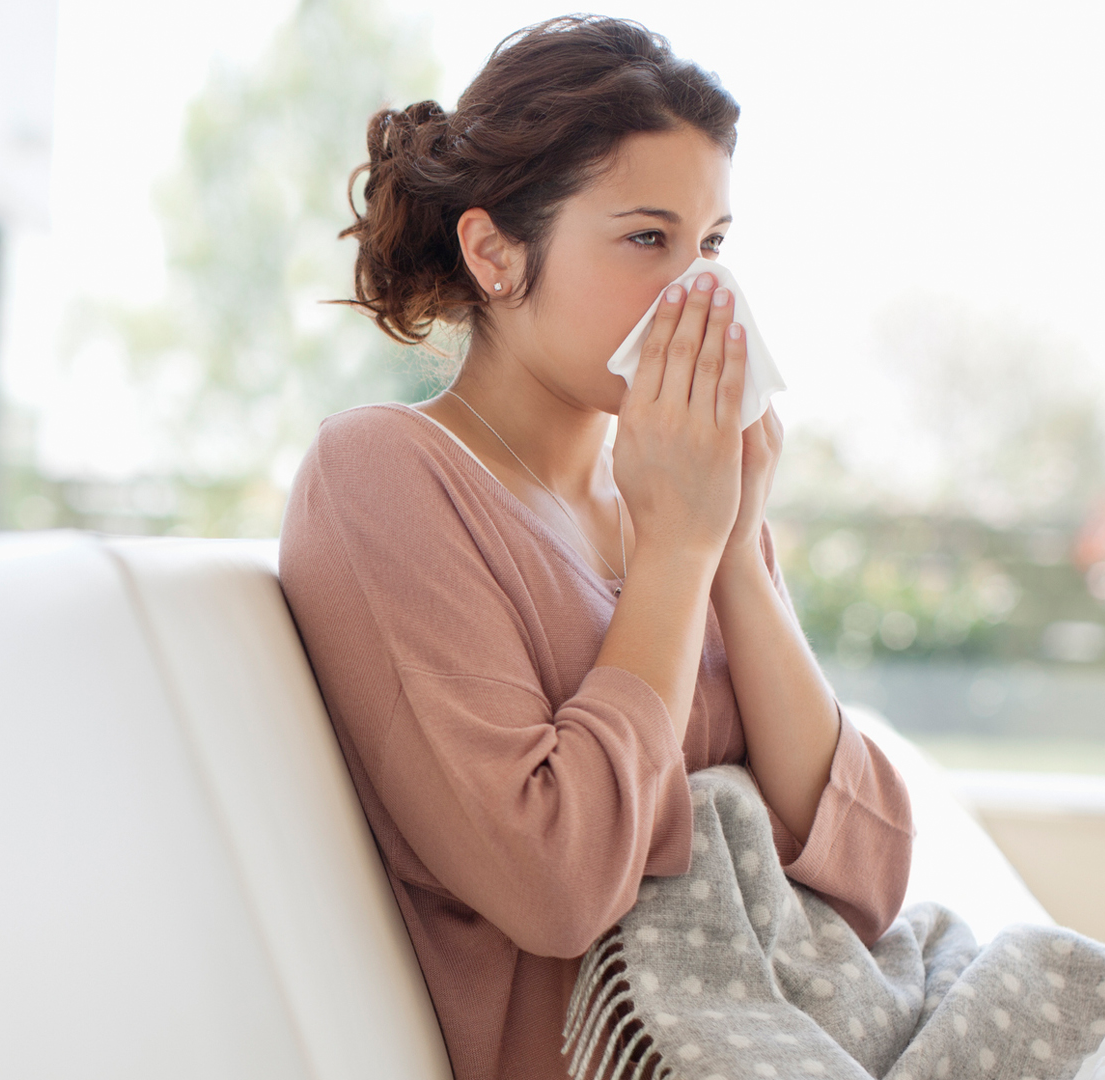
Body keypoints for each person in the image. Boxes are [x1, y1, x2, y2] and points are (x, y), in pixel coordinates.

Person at [277, 17, 914, 1080]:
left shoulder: (675, 493)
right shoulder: (384, 473)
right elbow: (556, 885)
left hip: (820, 1013)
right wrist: (675, 558)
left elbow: (869, 872)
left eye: (711, 246)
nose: (700, 293)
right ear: (494, 253)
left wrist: (736, 552)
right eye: (646, 239)